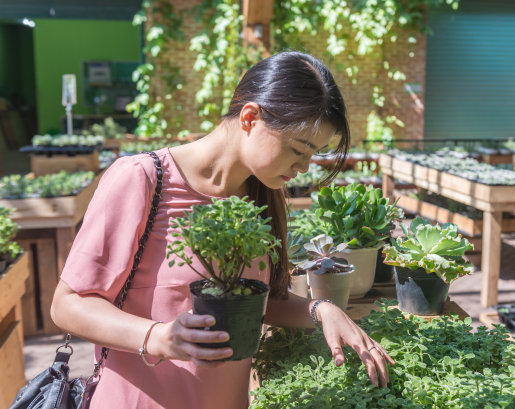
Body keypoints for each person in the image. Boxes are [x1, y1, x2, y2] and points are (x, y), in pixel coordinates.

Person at [50, 51, 393, 409]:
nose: (304, 167)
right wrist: (158, 336)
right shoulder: (143, 179)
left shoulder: (263, 194)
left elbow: (261, 302)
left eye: (314, 154)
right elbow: (68, 304)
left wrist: (321, 310)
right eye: (299, 149)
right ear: (250, 118)